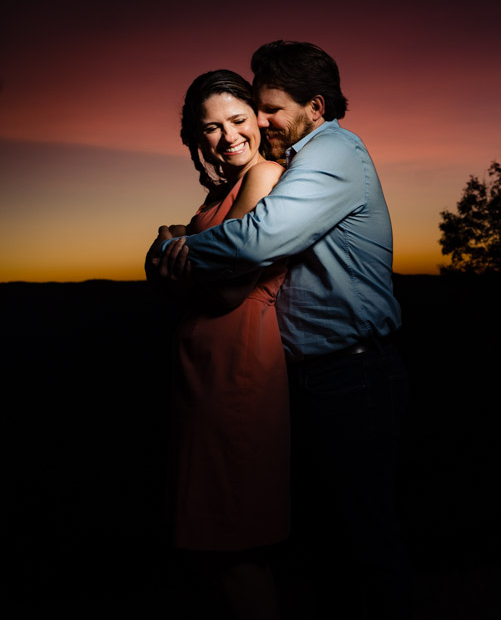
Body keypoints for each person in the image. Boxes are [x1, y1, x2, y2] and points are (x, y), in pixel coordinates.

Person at [153, 40, 410, 620]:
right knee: (327, 544)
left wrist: (172, 247)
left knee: (365, 541)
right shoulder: (296, 161)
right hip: (311, 374)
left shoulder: (334, 153)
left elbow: (259, 239)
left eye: (267, 109)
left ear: (315, 107)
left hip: (354, 370)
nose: (261, 121)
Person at [145, 69, 288, 620]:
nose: (228, 136)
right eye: (210, 128)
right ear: (193, 137)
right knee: (211, 547)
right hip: (203, 371)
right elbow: (165, 270)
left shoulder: (262, 174)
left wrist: (173, 247)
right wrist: (171, 252)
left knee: (236, 547)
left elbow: (229, 287)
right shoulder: (224, 190)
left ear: (257, 119)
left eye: (236, 119)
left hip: (238, 370)